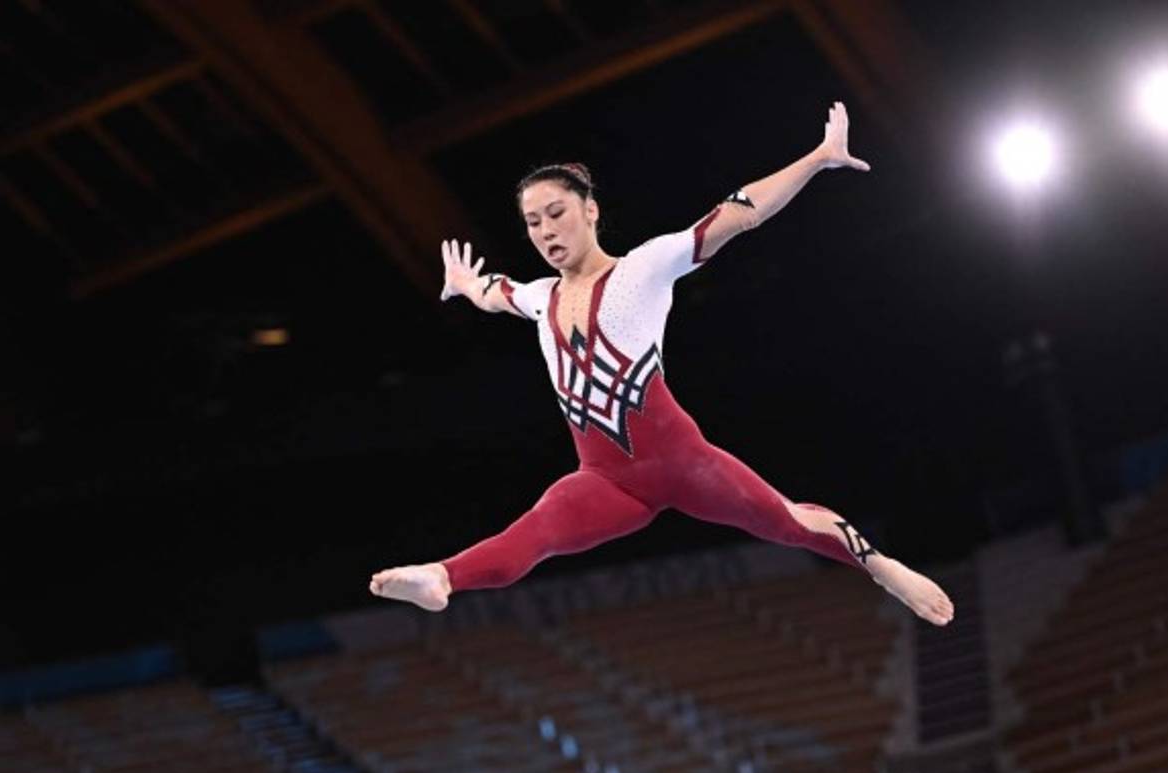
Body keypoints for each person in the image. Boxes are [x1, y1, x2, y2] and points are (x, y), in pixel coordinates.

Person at [370, 102, 954, 626]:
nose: (546, 230)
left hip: (684, 464)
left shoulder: (642, 269)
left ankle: (882, 567)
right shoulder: (541, 297)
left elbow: (738, 213)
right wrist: (465, 284)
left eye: (556, 213)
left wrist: (818, 158)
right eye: (533, 222)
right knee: (535, 532)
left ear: (590, 210)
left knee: (788, 522)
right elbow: (498, 292)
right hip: (604, 481)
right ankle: (441, 577)